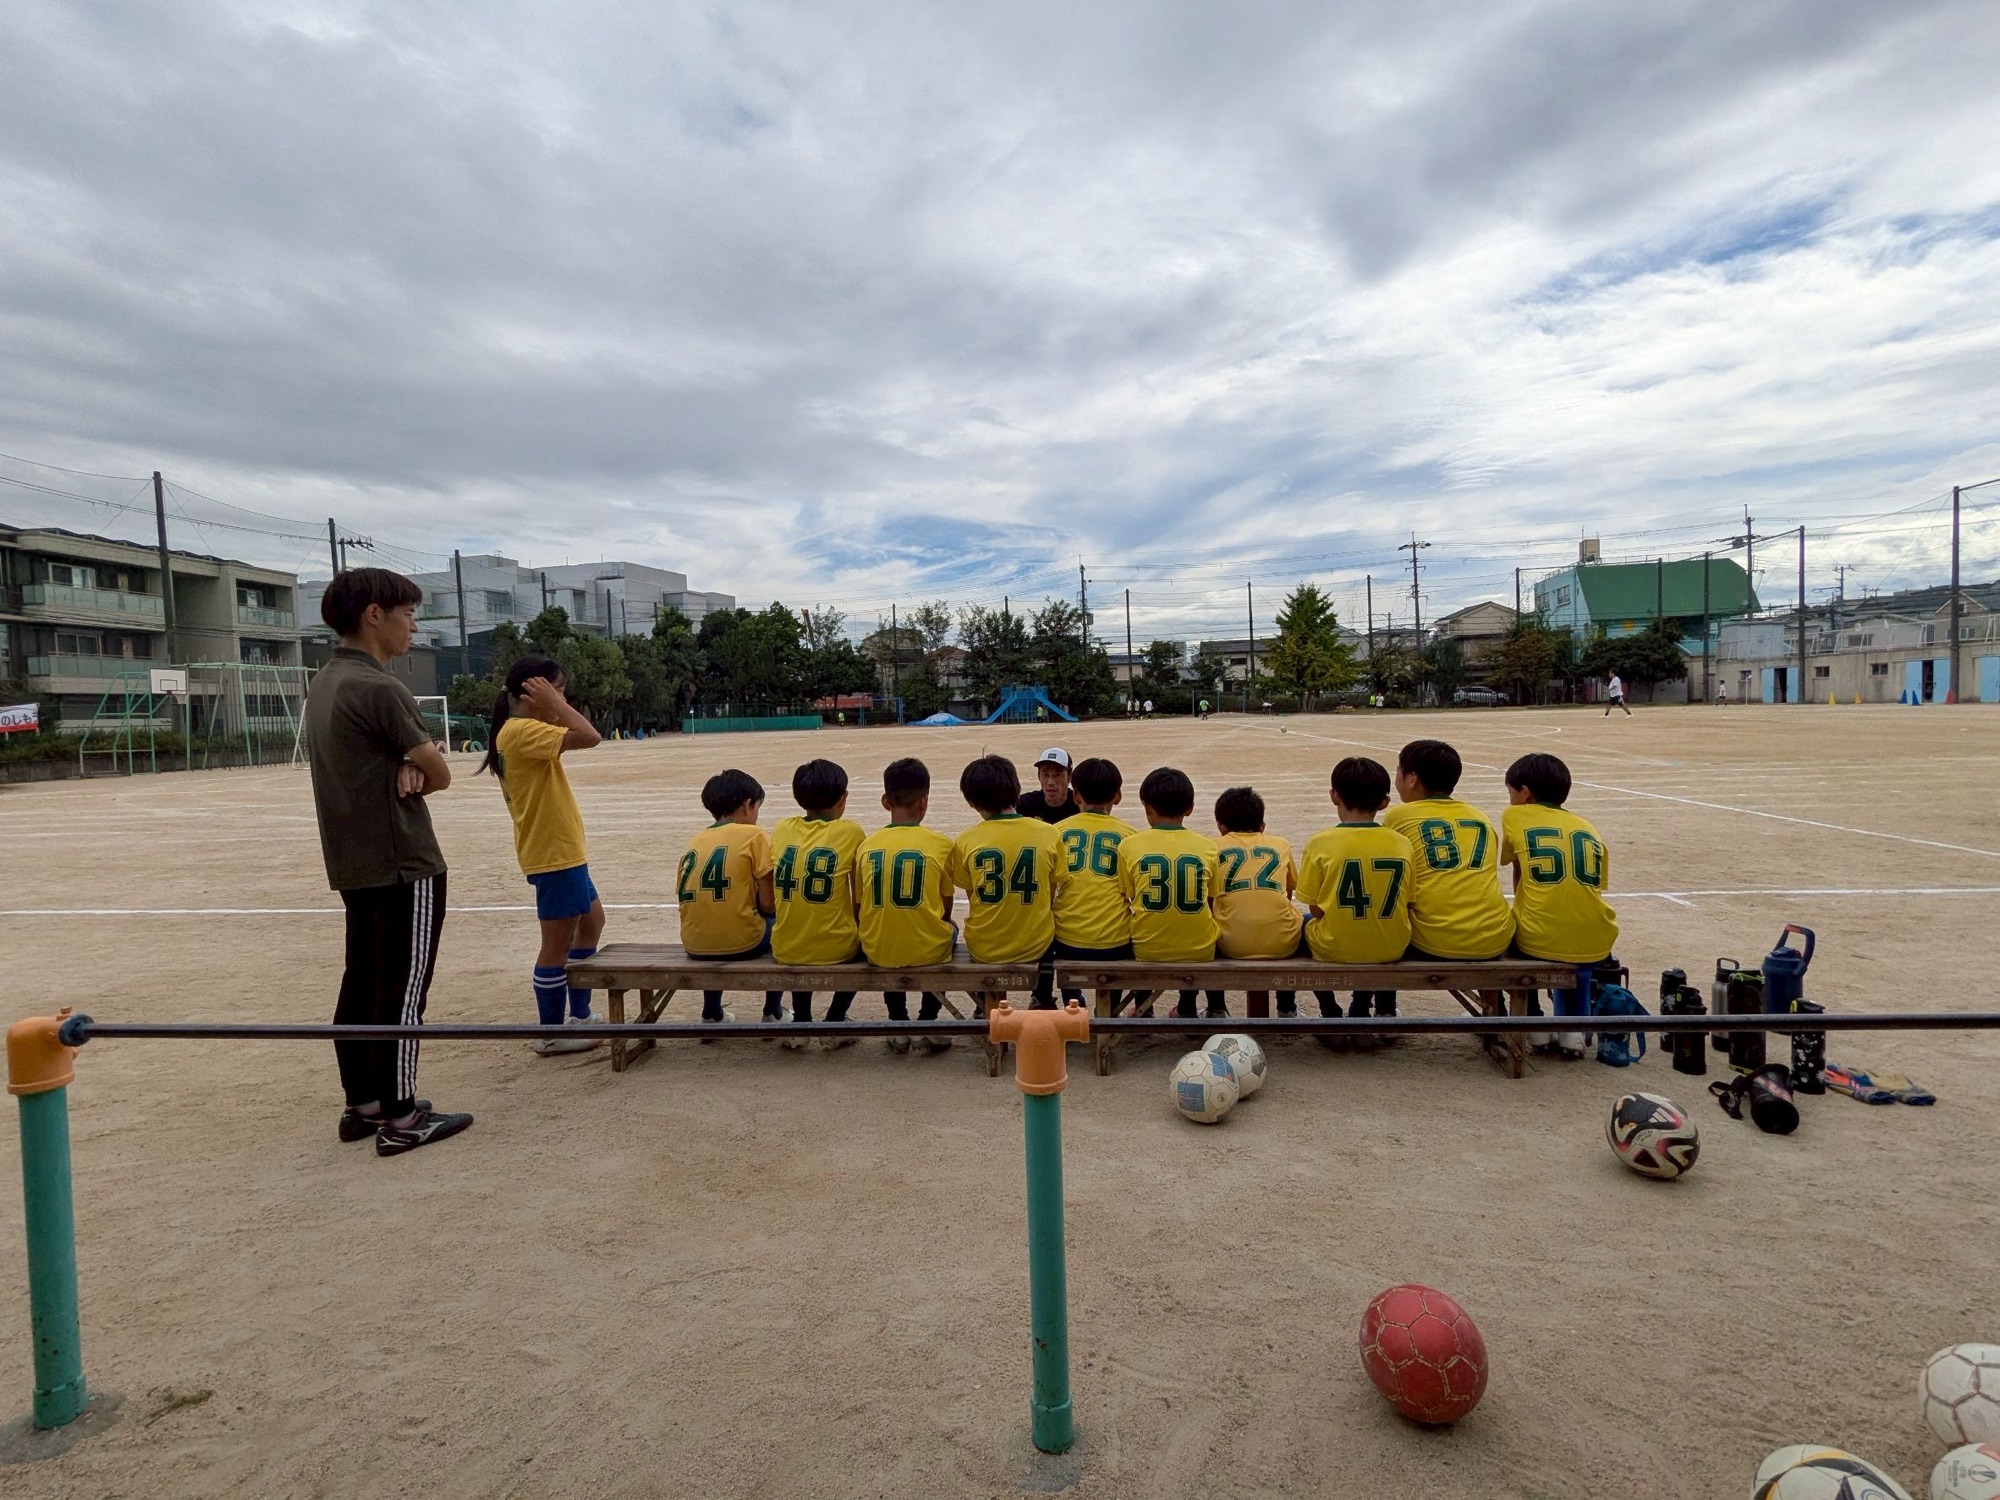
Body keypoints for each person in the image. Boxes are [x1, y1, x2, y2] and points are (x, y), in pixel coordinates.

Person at [303, 567, 471, 1156]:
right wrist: (420, 765)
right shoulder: (380, 687)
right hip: (404, 860)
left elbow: (406, 761)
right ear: (374, 615)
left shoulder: (326, 682)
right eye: (408, 614)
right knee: (403, 986)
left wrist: (409, 763)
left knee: (363, 978)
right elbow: (441, 774)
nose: (413, 627)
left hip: (354, 858)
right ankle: (402, 1117)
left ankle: (365, 1103)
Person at [479, 654, 605, 1057]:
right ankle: (551, 1032)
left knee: (592, 923)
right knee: (556, 943)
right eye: (558, 689)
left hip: (561, 851)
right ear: (534, 692)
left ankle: (579, 1015)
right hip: (553, 855)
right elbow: (590, 735)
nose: (562, 698)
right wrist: (555, 704)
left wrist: (553, 702)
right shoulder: (520, 731)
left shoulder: (521, 731)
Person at [1501, 752, 1619, 1058]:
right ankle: (1573, 1030)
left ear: (1525, 793)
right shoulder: (1587, 827)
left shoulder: (1515, 816)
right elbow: (1594, 887)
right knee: (1574, 950)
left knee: (1505, 939)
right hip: (1596, 941)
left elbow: (1517, 871)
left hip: (1539, 940)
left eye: (1510, 792)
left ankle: (1534, 1021)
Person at [1296, 757, 1415, 1040]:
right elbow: (1408, 902)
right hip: (1391, 946)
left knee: (1303, 924)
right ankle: (1364, 1008)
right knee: (1374, 927)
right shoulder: (1401, 842)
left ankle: (1329, 1012)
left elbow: (1316, 908)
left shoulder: (1320, 843)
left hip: (1335, 947)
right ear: (1384, 802)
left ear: (1334, 795)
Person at [949, 754, 1066, 1007]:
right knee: (1049, 923)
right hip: (1036, 944)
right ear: (1016, 789)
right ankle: (1042, 997)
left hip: (985, 947)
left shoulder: (966, 840)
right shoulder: (1049, 833)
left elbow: (973, 897)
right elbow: (1050, 892)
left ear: (972, 802)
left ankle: (986, 1003)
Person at [1381, 739, 1514, 962]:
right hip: (1495, 936)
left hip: (1434, 940)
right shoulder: (1478, 816)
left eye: (1398, 771)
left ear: (1412, 779)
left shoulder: (1399, 817)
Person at [857, 757, 956, 1054]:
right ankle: (927, 1021)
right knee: (948, 930)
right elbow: (945, 907)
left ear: (885, 801)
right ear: (924, 801)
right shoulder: (941, 844)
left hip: (878, 948)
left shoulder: (867, 846)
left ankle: (898, 1021)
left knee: (887, 929)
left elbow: (860, 905)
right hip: (927, 949)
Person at [769, 759, 866, 1050]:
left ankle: (802, 1021)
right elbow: (859, 898)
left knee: (802, 930)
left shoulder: (782, 829)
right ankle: (835, 1019)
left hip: (786, 946)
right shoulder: (850, 832)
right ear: (842, 798)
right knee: (867, 940)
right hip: (837, 948)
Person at [677, 769, 784, 1028]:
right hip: (744, 942)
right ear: (748, 804)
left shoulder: (695, 841)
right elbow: (768, 903)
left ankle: (711, 1012)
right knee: (782, 929)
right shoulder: (754, 835)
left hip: (694, 943)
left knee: (716, 921)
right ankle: (773, 1010)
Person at [1119, 767, 1221, 1018]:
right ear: (1190, 808)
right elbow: (1210, 900)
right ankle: (1187, 1005)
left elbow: (1129, 895)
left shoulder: (1129, 846)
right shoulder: (1208, 847)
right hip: (1200, 949)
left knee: (1140, 922)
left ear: (1147, 807)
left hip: (1148, 949)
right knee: (1198, 926)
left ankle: (1144, 1008)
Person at [1209, 785, 1304, 1018]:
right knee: (1298, 921)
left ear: (1221, 826)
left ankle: (1216, 1007)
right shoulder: (1280, 844)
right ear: (1262, 826)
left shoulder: (1211, 848)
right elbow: (1288, 893)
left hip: (1230, 944)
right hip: (1282, 943)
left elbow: (1208, 901)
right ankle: (1286, 1007)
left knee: (1205, 927)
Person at [1052, 757, 1134, 1008]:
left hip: (1067, 942)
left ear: (1075, 796)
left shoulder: (1055, 832)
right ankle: (1110, 1009)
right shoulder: (1131, 837)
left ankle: (1072, 1003)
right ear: (1117, 796)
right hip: (1115, 942)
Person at [1017, 747, 1081, 822]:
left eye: (1057, 775)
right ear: (1039, 776)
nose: (1051, 783)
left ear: (1069, 777)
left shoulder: (1080, 806)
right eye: (1046, 775)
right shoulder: (1024, 805)